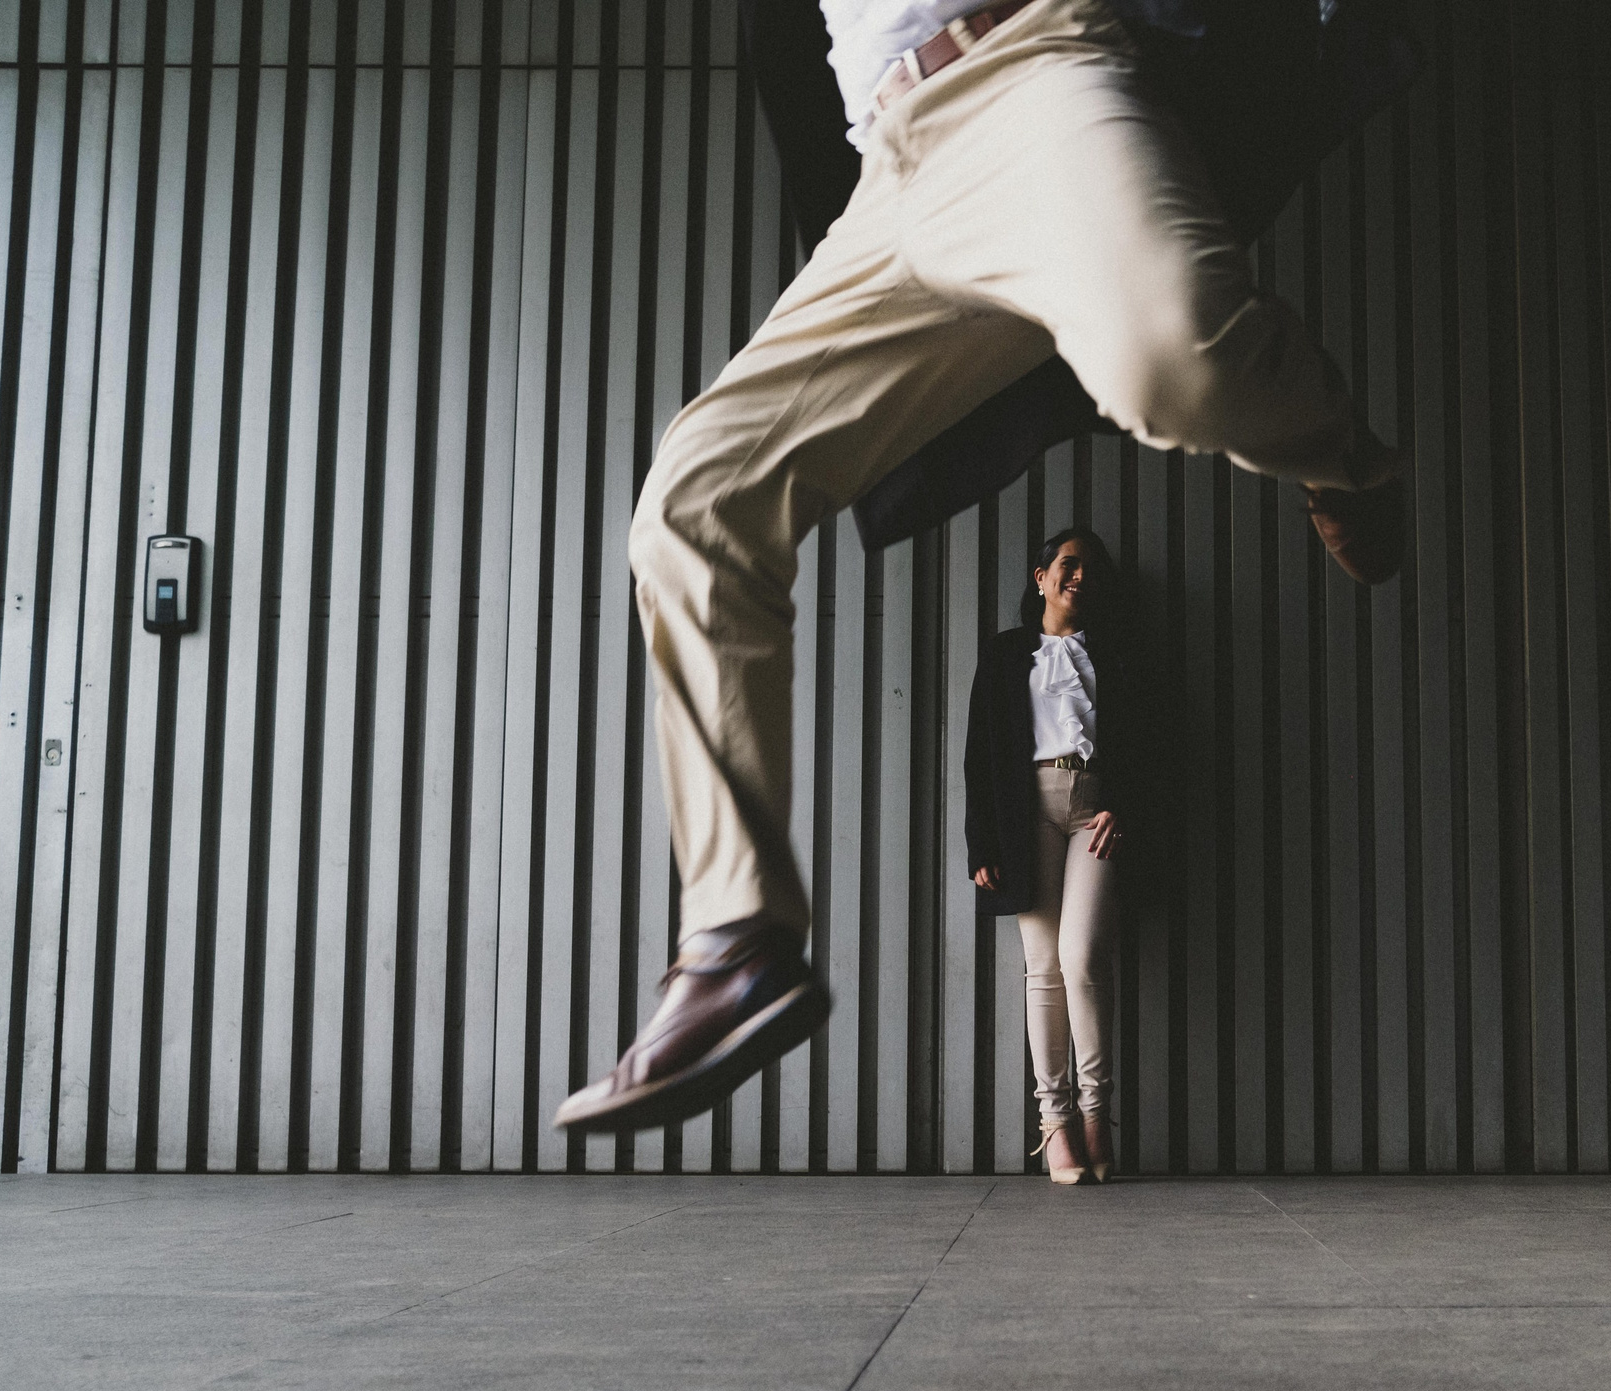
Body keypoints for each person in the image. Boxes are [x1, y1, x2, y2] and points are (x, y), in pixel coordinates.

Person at [553, 0, 1416, 1135]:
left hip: (1030, 73)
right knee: (692, 501)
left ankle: (1343, 458)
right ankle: (734, 935)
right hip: (891, 167)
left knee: (1170, 367)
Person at [966, 529, 1136, 1184]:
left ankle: (1097, 1113)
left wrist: (1124, 802)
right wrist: (983, 844)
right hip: (1024, 811)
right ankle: (1055, 1124)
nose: (1079, 577)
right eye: (1068, 565)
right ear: (1040, 577)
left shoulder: (1116, 654)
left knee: (1083, 957)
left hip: (1095, 809)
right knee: (1042, 967)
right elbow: (981, 755)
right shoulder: (1009, 654)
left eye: (1091, 569)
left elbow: (1151, 737)